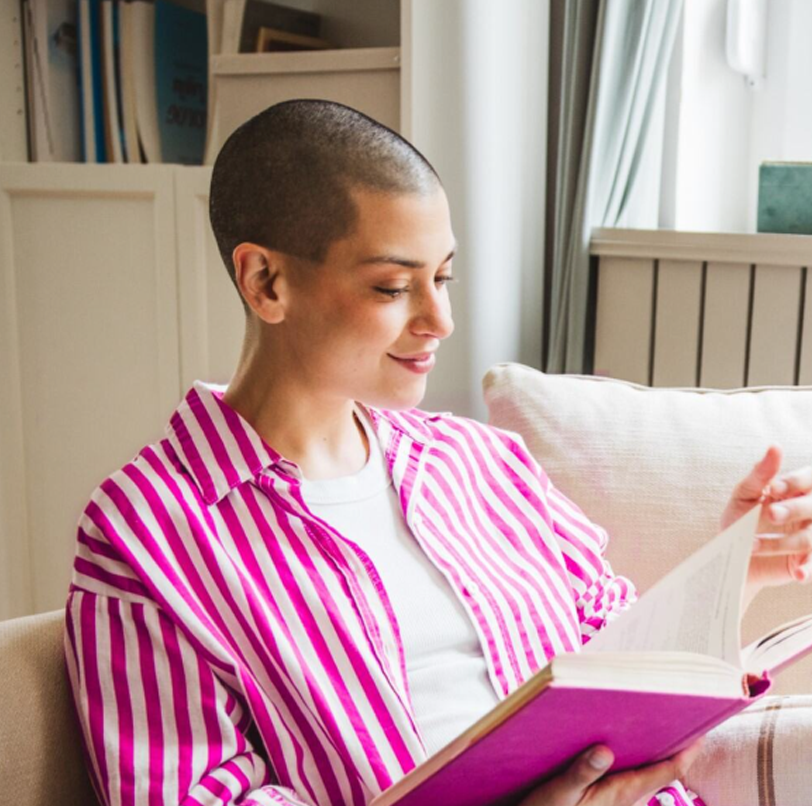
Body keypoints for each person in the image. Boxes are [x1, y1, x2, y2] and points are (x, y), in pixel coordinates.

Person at [65, 100, 812, 806]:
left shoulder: (481, 463)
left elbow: (616, 658)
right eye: (393, 287)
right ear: (266, 281)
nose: (441, 319)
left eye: (443, 277)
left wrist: (734, 571)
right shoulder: (144, 532)